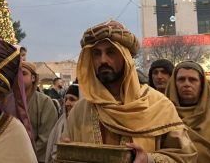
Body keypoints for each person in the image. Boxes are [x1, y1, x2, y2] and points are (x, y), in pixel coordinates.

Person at [62, 20, 197, 163]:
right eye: (96, 53)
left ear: (126, 58)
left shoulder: (159, 105)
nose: (103, 60)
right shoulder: (80, 111)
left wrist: (149, 159)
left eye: (111, 52)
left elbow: (185, 156)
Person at [166, 60, 210, 162]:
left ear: (202, 85)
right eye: (181, 79)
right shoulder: (163, 115)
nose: (186, 84)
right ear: (174, 84)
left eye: (192, 80)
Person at [22, 61, 58, 163]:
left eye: (23, 74)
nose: (19, 77)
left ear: (33, 78)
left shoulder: (45, 102)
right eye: (17, 74)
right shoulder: (9, 101)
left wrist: (25, 156)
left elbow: (46, 139)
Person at [45, 83, 79, 163]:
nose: (67, 103)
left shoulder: (86, 126)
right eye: (66, 99)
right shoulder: (60, 123)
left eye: (72, 99)